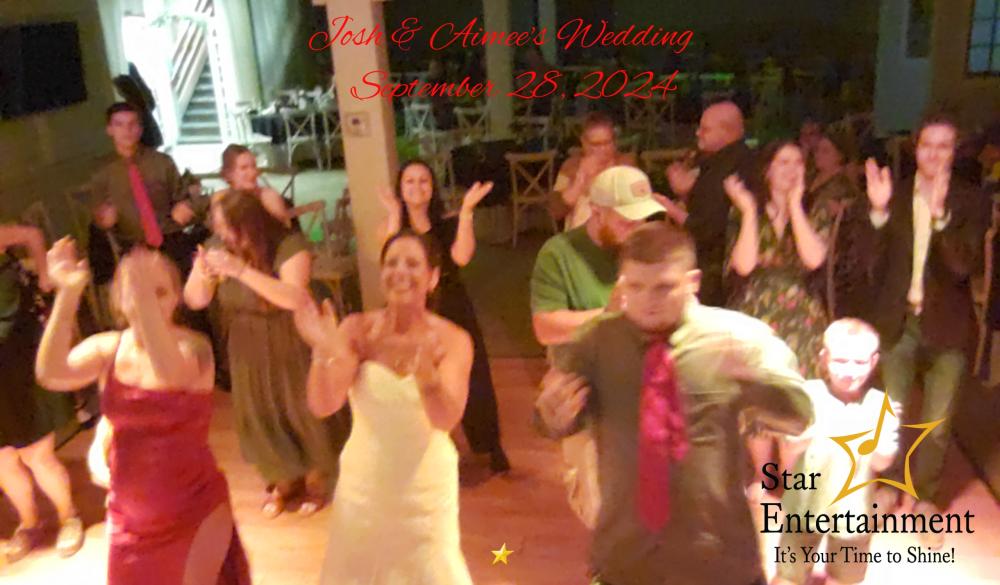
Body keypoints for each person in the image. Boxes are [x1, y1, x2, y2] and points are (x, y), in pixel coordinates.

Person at [535, 221, 813, 585]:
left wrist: (757, 381)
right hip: (626, 558)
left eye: (663, 287)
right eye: (635, 286)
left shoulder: (738, 338)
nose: (647, 300)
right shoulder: (595, 343)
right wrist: (550, 416)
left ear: (692, 282)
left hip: (718, 557)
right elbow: (549, 418)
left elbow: (799, 415)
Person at [35, 240, 250, 584]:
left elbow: (168, 374)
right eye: (135, 292)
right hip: (129, 520)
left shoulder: (194, 348)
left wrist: (142, 297)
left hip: (194, 511)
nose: (146, 300)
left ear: (176, 297)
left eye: (160, 292)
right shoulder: (109, 348)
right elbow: (51, 372)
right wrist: (68, 292)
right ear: (119, 299)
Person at [298, 230, 474, 585]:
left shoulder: (452, 340)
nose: (400, 272)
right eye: (392, 263)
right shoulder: (358, 329)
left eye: (412, 264)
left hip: (423, 487)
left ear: (432, 277)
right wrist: (322, 351)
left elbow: (445, 419)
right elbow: (323, 404)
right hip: (364, 484)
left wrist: (428, 381)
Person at [862, 112, 989, 548]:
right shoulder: (894, 194)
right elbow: (872, 263)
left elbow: (962, 266)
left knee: (936, 423)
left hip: (947, 325)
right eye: (927, 145)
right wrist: (878, 213)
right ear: (915, 149)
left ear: (955, 152)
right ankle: (888, 487)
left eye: (944, 146)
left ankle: (925, 497)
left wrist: (939, 217)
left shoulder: (972, 200)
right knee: (889, 415)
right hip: (898, 321)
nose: (934, 154)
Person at [184, 190, 348, 517]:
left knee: (300, 409)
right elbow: (194, 300)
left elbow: (294, 297)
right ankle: (283, 479)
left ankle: (316, 478)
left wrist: (241, 271)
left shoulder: (287, 244)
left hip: (290, 336)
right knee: (261, 412)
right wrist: (202, 275)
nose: (223, 235)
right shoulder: (219, 247)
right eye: (218, 227)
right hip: (246, 341)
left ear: (250, 223)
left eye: (229, 227)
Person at [531, 166, 666, 528]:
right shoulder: (559, 253)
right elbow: (545, 327)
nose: (636, 228)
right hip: (586, 396)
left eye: (642, 218)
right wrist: (608, 315)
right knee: (600, 508)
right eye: (625, 220)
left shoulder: (647, 249)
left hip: (643, 393)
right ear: (596, 211)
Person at [377, 159, 509, 472]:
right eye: (410, 181)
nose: (417, 187)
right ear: (400, 188)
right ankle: (429, 448)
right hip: (411, 307)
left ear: (433, 187)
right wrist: (394, 214)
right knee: (417, 377)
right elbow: (389, 257)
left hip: (451, 301)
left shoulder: (447, 223)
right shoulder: (392, 227)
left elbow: (462, 257)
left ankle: (489, 443)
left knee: (473, 372)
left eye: (423, 180)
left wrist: (466, 212)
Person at [772, 319, 899, 585]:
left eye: (859, 362)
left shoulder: (880, 405)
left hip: (853, 510)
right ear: (824, 358)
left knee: (845, 578)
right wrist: (797, 440)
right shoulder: (805, 396)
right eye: (840, 360)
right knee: (788, 576)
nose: (849, 371)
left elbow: (882, 462)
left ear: (874, 362)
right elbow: (786, 458)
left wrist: (880, 440)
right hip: (804, 506)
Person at [0, 224, 81, 563]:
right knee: (3, 461)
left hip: (18, 357)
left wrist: (46, 276)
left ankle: (68, 516)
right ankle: (30, 524)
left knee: (37, 454)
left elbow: (31, 234)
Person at [725, 140, 832, 378]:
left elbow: (814, 260)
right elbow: (744, 265)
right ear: (767, 170)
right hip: (756, 307)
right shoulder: (746, 209)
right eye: (783, 162)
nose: (792, 169)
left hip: (802, 311)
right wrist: (749, 212)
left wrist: (794, 206)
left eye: (798, 163)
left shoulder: (816, 208)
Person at [82, 102, 201, 285]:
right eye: (119, 125)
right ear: (110, 130)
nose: (127, 130)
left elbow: (182, 197)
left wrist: (184, 206)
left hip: (168, 238)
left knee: (189, 271)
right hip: (131, 244)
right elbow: (97, 215)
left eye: (132, 124)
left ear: (140, 129)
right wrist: (103, 219)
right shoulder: (102, 173)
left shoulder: (162, 162)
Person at [666, 100, 756, 306]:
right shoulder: (717, 161)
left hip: (718, 274)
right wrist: (685, 193)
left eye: (705, 129)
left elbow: (708, 228)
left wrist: (671, 209)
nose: (698, 133)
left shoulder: (729, 169)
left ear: (726, 131)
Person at [553, 112, 638, 230]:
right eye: (595, 145)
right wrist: (579, 182)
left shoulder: (626, 164)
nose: (602, 150)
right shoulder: (571, 166)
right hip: (579, 234)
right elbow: (556, 212)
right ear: (584, 142)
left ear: (614, 141)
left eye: (607, 143)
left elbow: (638, 207)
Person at [213, 144, 292, 226]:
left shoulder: (268, 196)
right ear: (228, 174)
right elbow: (221, 230)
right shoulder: (220, 199)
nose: (253, 173)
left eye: (254, 166)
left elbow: (286, 230)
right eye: (244, 168)